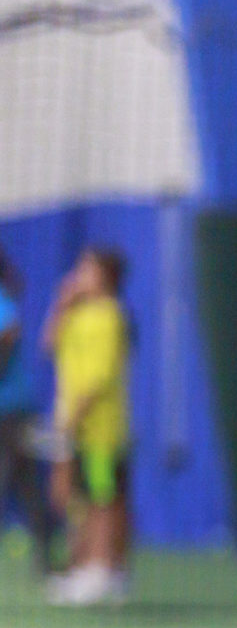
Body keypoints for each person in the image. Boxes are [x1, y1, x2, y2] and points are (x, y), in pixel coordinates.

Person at [44, 247, 131, 606]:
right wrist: (63, 302)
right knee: (77, 500)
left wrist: (75, 419)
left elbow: (99, 379)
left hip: (101, 431)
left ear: (107, 277)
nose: (80, 275)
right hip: (72, 426)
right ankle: (85, 569)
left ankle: (105, 571)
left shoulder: (111, 317)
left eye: (88, 269)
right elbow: (49, 344)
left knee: (102, 499)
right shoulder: (77, 314)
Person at [0, 244, 52, 576]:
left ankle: (46, 559)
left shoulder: (3, 301)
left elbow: (7, 337)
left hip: (13, 410)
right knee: (21, 482)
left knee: (25, 482)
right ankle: (45, 558)